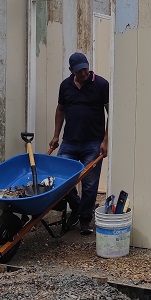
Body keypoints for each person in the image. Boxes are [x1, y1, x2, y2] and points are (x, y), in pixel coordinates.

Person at [49, 52, 109, 235]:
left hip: (93, 143)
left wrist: (106, 140)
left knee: (90, 184)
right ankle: (77, 208)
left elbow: (111, 113)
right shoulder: (65, 86)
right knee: (62, 180)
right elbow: (60, 109)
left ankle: (84, 220)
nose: (84, 73)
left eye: (85, 69)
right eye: (79, 70)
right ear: (71, 70)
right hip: (69, 142)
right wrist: (56, 135)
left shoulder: (101, 84)